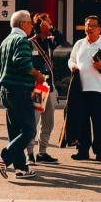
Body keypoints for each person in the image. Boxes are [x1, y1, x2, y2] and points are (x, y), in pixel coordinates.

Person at [0, 10, 42, 179]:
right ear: (23, 24)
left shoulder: (6, 41)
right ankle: (4, 157)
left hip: (6, 90)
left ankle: (21, 168)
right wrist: (37, 75)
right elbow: (23, 64)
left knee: (15, 131)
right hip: (20, 90)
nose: (32, 26)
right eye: (30, 22)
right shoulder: (21, 40)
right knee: (29, 131)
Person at [69, 15, 101, 164]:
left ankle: (100, 152)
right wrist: (72, 66)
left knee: (98, 122)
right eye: (87, 25)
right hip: (81, 89)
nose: (89, 29)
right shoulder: (79, 44)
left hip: (98, 90)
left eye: (92, 26)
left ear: (99, 29)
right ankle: (82, 151)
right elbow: (71, 59)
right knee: (82, 121)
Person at [29, 11, 65, 163]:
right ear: (40, 24)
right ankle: (29, 153)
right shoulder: (30, 42)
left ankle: (42, 152)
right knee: (34, 121)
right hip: (38, 87)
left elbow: (62, 39)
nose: (50, 23)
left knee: (48, 121)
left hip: (49, 86)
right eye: (47, 22)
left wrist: (52, 28)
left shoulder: (50, 41)